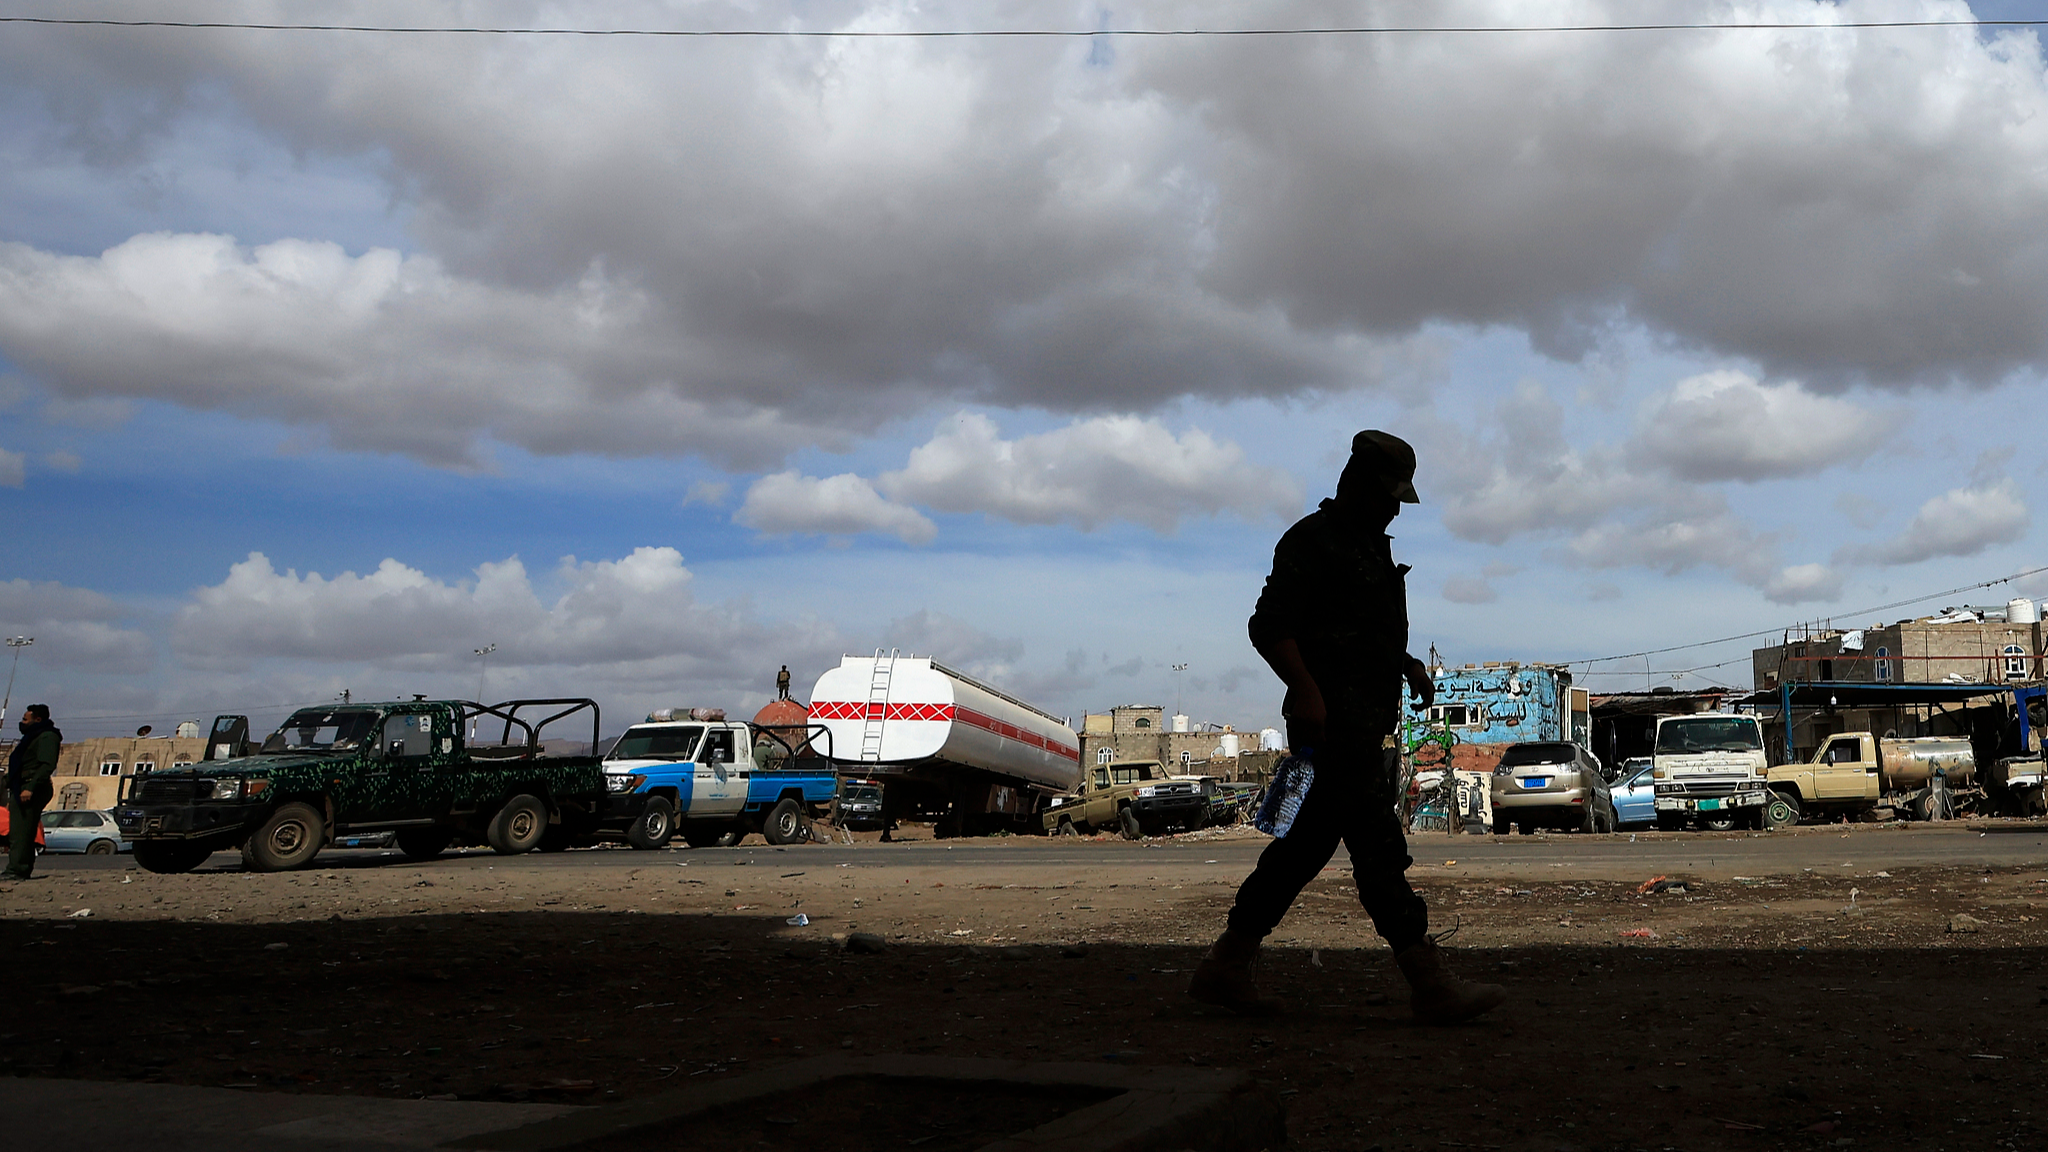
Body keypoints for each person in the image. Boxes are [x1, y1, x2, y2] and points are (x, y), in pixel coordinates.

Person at [1188, 431, 1505, 1024]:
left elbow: (1362, 640)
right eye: (1388, 494)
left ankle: (1224, 967)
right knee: (1378, 850)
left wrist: (1405, 665)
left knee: (1300, 851)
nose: (1394, 508)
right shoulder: (1313, 541)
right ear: (1357, 483)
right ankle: (1427, 982)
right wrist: (1306, 690)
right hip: (1330, 729)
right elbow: (1269, 625)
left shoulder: (1369, 550)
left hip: (1359, 727)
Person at [6, 704, 60, 881]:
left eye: (25, 719)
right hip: (21, 787)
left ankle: (17, 869)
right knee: (20, 830)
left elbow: (47, 765)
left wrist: (30, 787)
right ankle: (19, 867)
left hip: (32, 787)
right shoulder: (32, 737)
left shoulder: (46, 737)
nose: (22, 723)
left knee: (21, 832)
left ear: (38, 720)